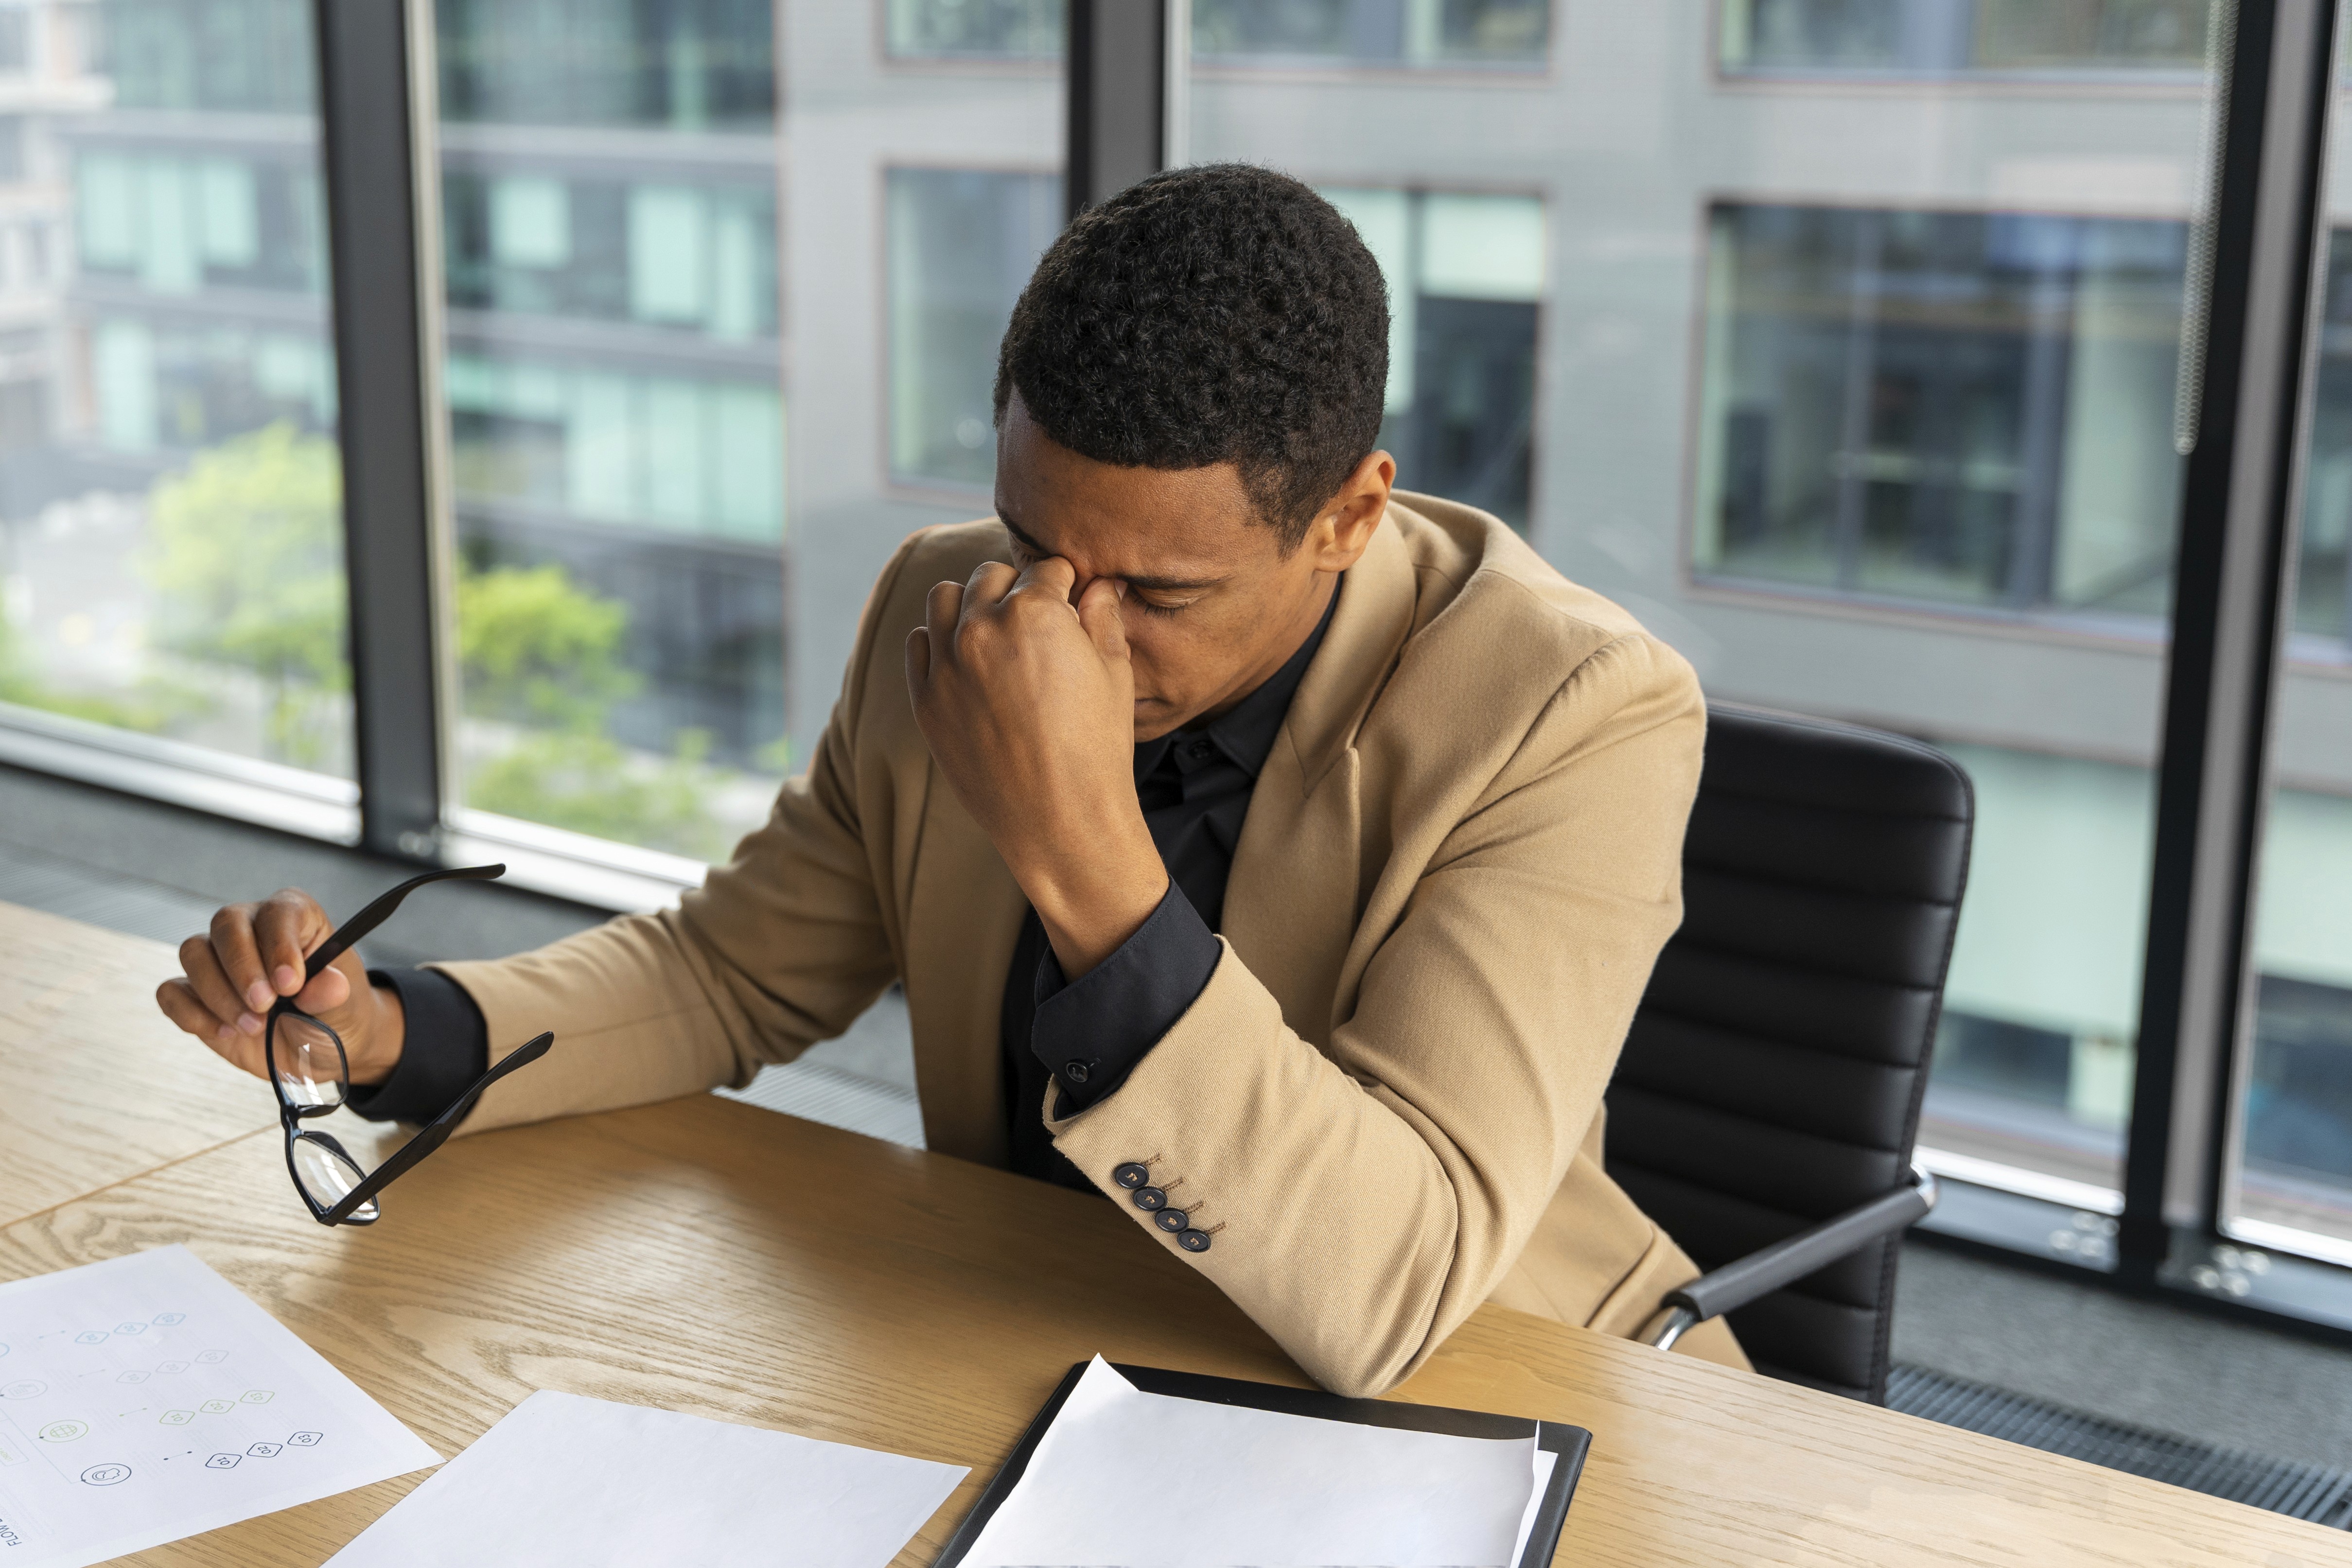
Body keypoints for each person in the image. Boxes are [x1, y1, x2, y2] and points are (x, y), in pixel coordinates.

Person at [158, 163, 1745, 1395]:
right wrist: (389, 1028)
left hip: (1503, 1389)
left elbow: (1399, 1282)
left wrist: (1080, 848)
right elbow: (725, 977)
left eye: (1161, 594)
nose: (1064, 630)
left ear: (1349, 515)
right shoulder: (956, 600)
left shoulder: (1575, 709)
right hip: (1043, 1352)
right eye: (1036, 541)